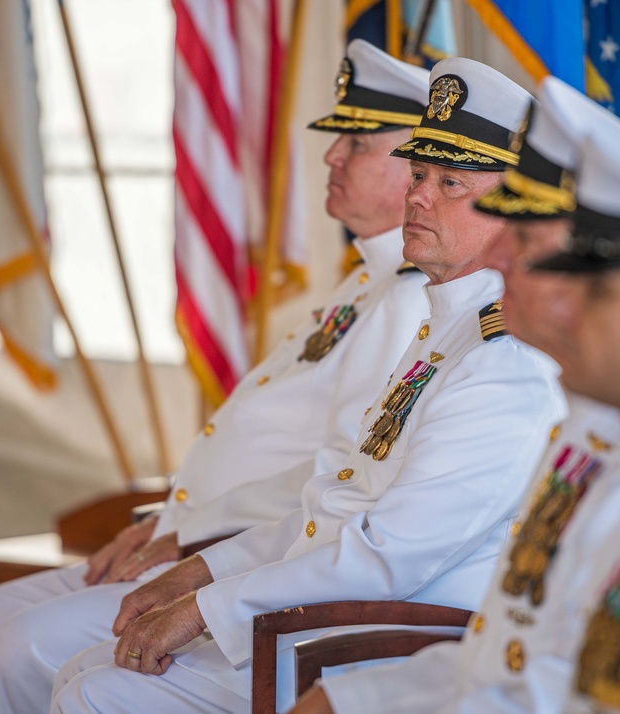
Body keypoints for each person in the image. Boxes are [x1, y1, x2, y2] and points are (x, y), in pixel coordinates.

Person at [50, 57, 566, 714]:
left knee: (98, 690)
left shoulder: (504, 362)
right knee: (85, 674)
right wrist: (197, 578)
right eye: (418, 173)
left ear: (514, 210)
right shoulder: (446, 332)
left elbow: (386, 558)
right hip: (321, 617)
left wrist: (204, 610)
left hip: (381, 640)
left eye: (452, 183)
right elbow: (333, 504)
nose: (418, 196)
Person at [296, 81, 620, 713]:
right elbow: (501, 664)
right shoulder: (609, 438)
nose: (561, 306)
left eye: (591, 286)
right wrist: (346, 701)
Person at [0, 39, 435, 714]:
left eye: (357, 143)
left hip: (258, 563)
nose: (331, 155)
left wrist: (189, 543)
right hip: (203, 536)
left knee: (31, 645)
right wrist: (169, 519)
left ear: (419, 165)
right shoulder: (365, 284)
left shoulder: (414, 300)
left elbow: (337, 485)